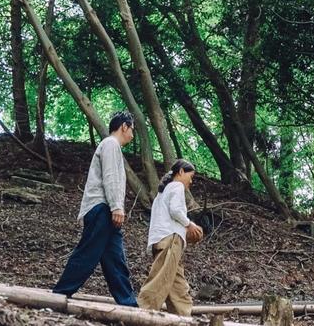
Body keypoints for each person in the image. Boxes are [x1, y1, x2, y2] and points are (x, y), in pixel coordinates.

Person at [52, 111, 139, 306]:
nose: (132, 135)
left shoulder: (112, 146)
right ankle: (59, 294)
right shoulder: (110, 144)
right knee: (87, 253)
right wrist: (117, 207)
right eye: (132, 129)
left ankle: (128, 303)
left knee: (115, 260)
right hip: (102, 208)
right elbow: (110, 177)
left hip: (106, 209)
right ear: (124, 126)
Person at [137, 159, 203, 316]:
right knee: (159, 280)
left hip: (162, 239)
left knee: (177, 285)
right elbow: (176, 211)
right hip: (170, 240)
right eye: (190, 176)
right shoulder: (177, 186)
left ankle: (184, 318)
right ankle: (142, 313)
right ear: (181, 172)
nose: (191, 181)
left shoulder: (163, 192)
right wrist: (190, 225)